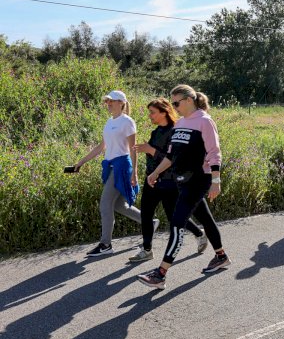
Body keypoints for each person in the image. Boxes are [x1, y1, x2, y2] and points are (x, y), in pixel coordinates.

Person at [137, 85, 230, 290]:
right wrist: (154, 173)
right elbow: (171, 156)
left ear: (189, 100)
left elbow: (215, 152)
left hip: (199, 179)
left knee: (177, 223)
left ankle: (160, 274)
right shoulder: (180, 123)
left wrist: (216, 181)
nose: (175, 107)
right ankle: (221, 256)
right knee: (205, 218)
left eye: (177, 103)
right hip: (182, 180)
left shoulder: (205, 121)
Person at [129, 98, 208, 262]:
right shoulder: (156, 131)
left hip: (170, 182)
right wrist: (149, 170)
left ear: (164, 112)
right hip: (152, 179)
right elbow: (155, 157)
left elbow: (173, 158)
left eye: (153, 112)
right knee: (146, 213)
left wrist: (150, 150)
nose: (150, 116)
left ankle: (199, 234)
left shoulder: (176, 131)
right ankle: (147, 249)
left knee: (173, 217)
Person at [74, 90, 144, 257]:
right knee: (120, 205)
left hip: (122, 167)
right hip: (111, 166)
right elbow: (101, 147)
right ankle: (150, 223)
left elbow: (133, 150)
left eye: (111, 101)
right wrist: (81, 162)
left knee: (105, 203)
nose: (108, 104)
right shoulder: (109, 122)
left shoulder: (127, 122)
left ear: (121, 102)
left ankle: (106, 244)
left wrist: (135, 172)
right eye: (107, 101)